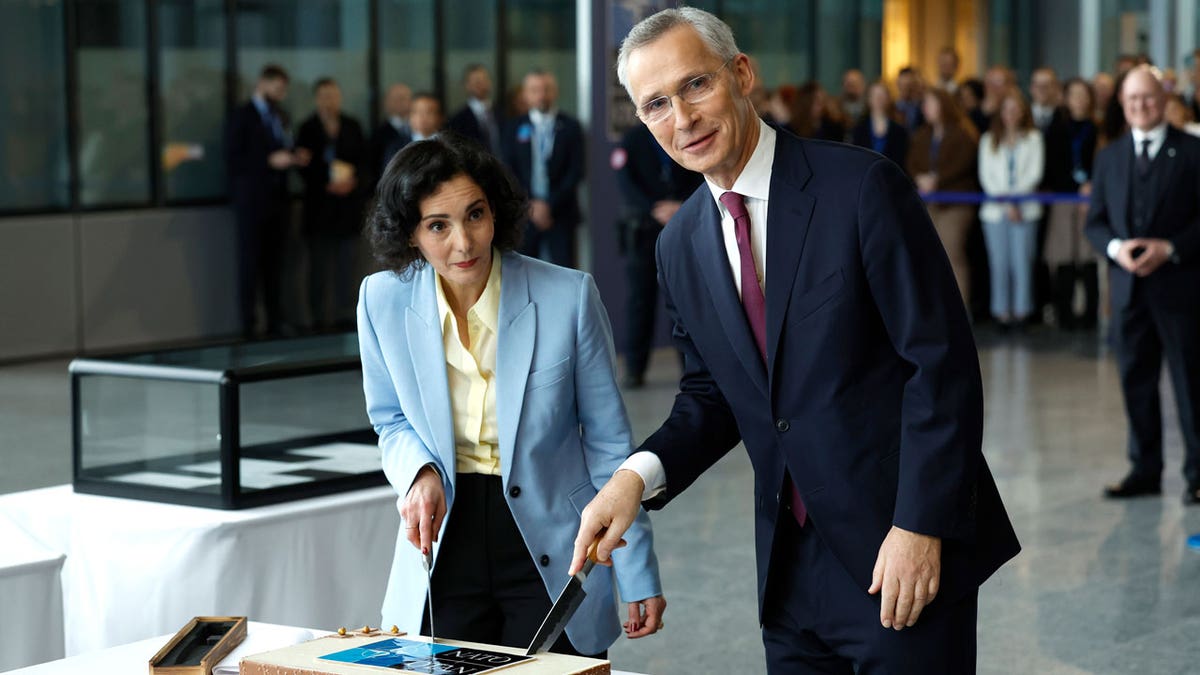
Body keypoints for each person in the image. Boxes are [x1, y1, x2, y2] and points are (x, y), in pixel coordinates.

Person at [571, 8, 1019, 674]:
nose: (683, 118)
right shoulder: (680, 244)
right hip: (789, 575)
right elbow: (713, 395)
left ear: (741, 74)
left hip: (899, 549)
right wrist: (634, 478)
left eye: (696, 85)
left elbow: (940, 363)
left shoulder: (861, 187)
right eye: (656, 104)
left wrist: (921, 525)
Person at [357, 135, 665, 656]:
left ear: (495, 211)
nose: (464, 242)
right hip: (446, 536)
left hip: (556, 539)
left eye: (475, 215)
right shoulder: (381, 300)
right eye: (438, 225)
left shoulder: (567, 296)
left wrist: (636, 571)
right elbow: (390, 420)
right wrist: (419, 473)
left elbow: (611, 445)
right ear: (410, 234)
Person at [1084, 66, 1200, 505]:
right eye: (1132, 100)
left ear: (1164, 99)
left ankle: (1197, 474)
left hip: (1180, 289)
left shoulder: (1192, 152)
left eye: (1148, 99)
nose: (1140, 107)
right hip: (1128, 289)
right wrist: (1117, 249)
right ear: (1122, 105)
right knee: (1136, 380)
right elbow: (1095, 223)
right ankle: (1145, 469)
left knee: (1190, 382)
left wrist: (1169, 248)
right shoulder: (1109, 157)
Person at [614, 122, 703, 389]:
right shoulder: (632, 137)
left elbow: (700, 172)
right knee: (640, 301)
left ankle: (689, 369)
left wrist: (682, 206)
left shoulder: (684, 131)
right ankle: (634, 369)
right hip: (644, 230)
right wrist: (654, 208)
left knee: (683, 302)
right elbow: (625, 180)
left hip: (682, 226)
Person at [225, 64, 307, 338]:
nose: (281, 94)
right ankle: (248, 325)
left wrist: (295, 156)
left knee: (276, 264)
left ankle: (275, 321)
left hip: (278, 201)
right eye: (278, 88)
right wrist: (268, 161)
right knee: (249, 263)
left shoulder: (280, 116)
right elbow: (233, 158)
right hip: (252, 201)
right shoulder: (242, 116)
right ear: (263, 83)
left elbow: (282, 145)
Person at [296, 77, 370, 332]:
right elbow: (302, 167)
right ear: (317, 98)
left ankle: (345, 316)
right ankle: (317, 318)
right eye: (324, 96)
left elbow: (365, 163)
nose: (329, 100)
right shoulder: (307, 128)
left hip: (347, 208)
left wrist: (353, 182)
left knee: (347, 267)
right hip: (319, 209)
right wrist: (322, 183)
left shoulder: (352, 125)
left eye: (333, 95)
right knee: (318, 268)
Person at [978, 87, 1045, 330]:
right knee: (1000, 262)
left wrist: (1016, 201)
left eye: (1016, 109)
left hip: (1026, 210)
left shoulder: (1034, 138)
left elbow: (1034, 173)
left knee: (1022, 261)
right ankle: (1001, 313)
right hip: (995, 212)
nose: (1011, 114)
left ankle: (1021, 312)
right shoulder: (988, 140)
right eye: (1007, 109)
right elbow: (986, 177)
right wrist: (1007, 203)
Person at [504, 70, 585, 268]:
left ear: (555, 92)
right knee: (522, 274)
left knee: (566, 273)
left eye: (546, 89)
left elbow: (576, 170)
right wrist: (532, 204)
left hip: (561, 213)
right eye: (534, 90)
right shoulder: (513, 127)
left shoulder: (571, 126)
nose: (541, 95)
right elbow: (508, 170)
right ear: (525, 94)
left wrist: (549, 204)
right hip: (525, 214)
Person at [908, 87, 981, 307]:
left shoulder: (963, 133)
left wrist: (937, 180)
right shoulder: (922, 134)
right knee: (928, 256)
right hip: (929, 203)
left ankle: (960, 308)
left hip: (956, 203)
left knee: (952, 252)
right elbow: (912, 161)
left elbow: (962, 163)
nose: (925, 108)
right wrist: (921, 178)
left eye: (930, 103)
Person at [1042, 78, 1100, 330]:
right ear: (1065, 99)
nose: (1079, 99)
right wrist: (1073, 186)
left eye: (1083, 94)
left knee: (1089, 259)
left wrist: (1091, 186)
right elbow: (1052, 167)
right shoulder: (1056, 129)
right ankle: (1064, 313)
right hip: (1063, 197)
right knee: (1063, 257)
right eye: (1073, 94)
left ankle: (1090, 315)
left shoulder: (1098, 128)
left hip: (1091, 199)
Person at [851, 79, 910, 167]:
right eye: (875, 95)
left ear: (888, 99)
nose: (878, 99)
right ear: (868, 99)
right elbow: (855, 159)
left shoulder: (899, 131)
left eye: (882, 95)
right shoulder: (859, 129)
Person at [447, 64, 502, 156]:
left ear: (489, 82)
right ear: (467, 85)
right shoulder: (457, 120)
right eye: (475, 81)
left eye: (483, 80)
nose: (480, 84)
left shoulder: (502, 113)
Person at [371, 83, 413, 176]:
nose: (402, 103)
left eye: (405, 98)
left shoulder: (418, 128)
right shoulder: (379, 134)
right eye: (397, 99)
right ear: (387, 102)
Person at [895, 66, 925, 132]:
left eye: (909, 85)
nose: (906, 89)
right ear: (898, 84)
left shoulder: (922, 108)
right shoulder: (892, 108)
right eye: (904, 86)